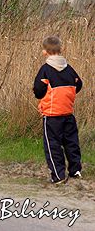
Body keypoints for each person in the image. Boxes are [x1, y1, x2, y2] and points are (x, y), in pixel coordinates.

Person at [33, 36, 83, 184]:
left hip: (51, 115)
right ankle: (75, 170)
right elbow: (79, 84)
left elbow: (38, 90)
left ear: (44, 52)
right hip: (68, 113)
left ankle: (58, 175)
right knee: (71, 141)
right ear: (62, 50)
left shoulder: (46, 70)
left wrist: (42, 96)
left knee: (52, 144)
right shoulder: (69, 69)